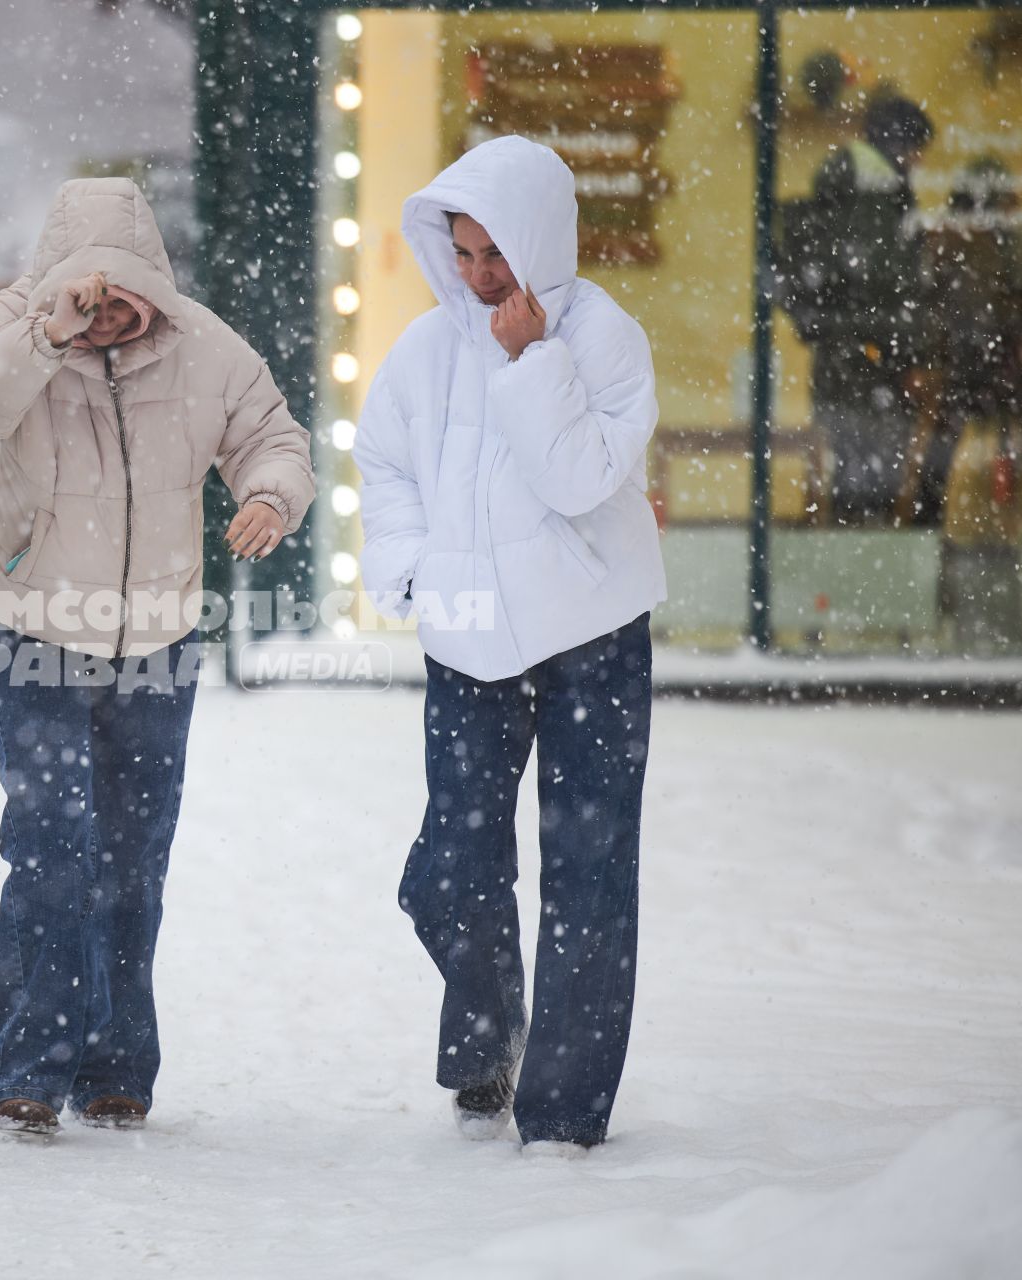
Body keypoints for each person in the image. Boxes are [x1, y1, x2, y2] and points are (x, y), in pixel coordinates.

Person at [0, 177, 314, 1137]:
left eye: (121, 302)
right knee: (52, 847)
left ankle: (116, 1067)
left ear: (154, 285)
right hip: (31, 629)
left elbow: (274, 434)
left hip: (155, 645)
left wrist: (269, 493)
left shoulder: (206, 347)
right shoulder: (18, 327)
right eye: (88, 300)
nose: (105, 319)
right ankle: (29, 1066)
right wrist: (47, 332)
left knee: (132, 858)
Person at [354, 135, 665, 1153]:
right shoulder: (427, 346)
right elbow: (387, 462)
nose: (483, 275)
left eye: (498, 251)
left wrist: (536, 362)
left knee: (589, 870)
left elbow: (582, 480)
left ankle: (566, 1112)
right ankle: (488, 1041)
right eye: (466, 251)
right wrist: (409, 566)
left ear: (539, 238)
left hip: (593, 639)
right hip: (470, 638)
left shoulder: (606, 339)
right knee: (453, 864)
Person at [779, 94, 935, 524]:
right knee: (874, 482)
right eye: (916, 148)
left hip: (844, 358)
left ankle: (853, 568)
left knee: (852, 474)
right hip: (870, 360)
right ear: (898, 143)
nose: (920, 160)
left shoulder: (848, 180)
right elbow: (888, 288)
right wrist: (909, 353)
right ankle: (865, 570)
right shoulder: (877, 191)